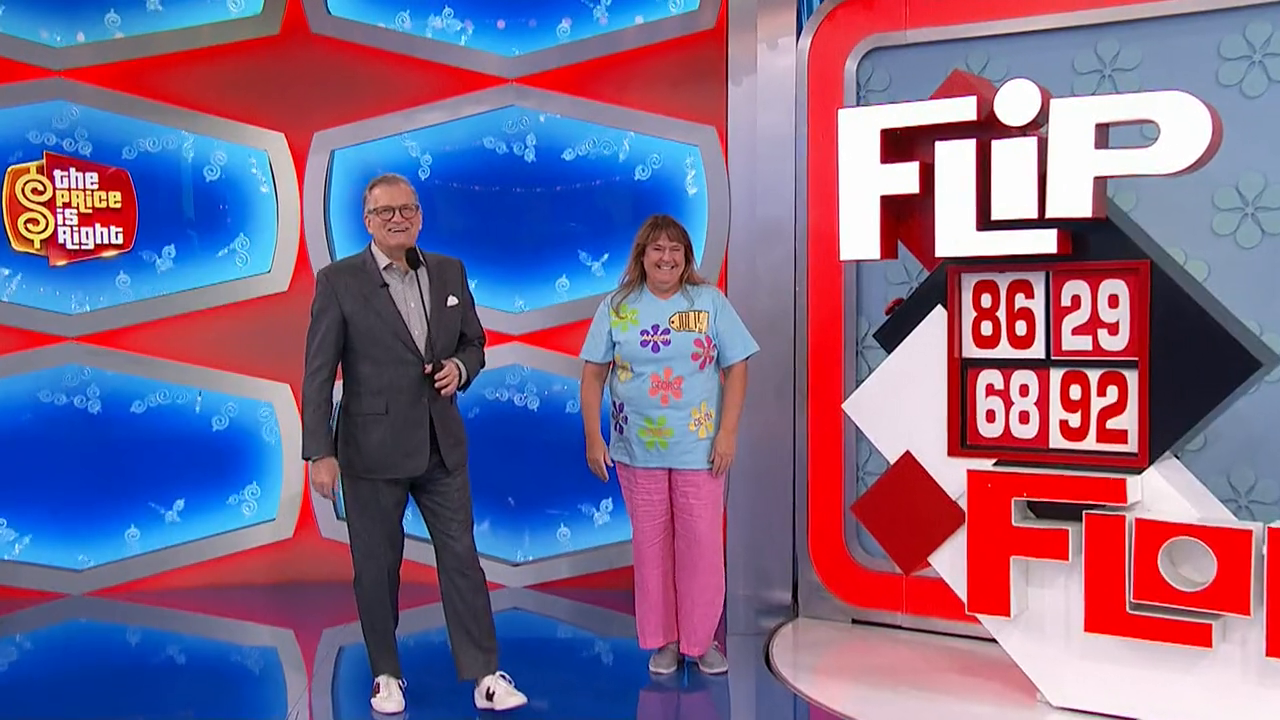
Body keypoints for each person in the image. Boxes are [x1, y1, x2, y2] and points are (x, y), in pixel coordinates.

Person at [301, 173, 527, 715]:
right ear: (368, 222)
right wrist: (320, 452)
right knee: (377, 567)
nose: (397, 219)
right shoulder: (338, 282)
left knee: (462, 558)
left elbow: (475, 342)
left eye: (406, 210)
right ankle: (385, 674)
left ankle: (485, 674)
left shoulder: (449, 271)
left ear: (420, 216)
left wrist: (460, 368)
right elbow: (317, 374)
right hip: (370, 450)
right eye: (385, 212)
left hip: (440, 445)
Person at [578, 214, 759, 676]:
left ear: (686, 257)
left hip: (701, 450)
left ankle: (701, 641)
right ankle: (665, 641)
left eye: (675, 249)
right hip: (636, 450)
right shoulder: (617, 306)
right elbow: (593, 375)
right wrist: (593, 436)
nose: (666, 257)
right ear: (642, 256)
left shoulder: (709, 302)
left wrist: (728, 432)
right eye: (657, 248)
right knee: (651, 547)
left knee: (701, 546)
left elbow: (737, 366)